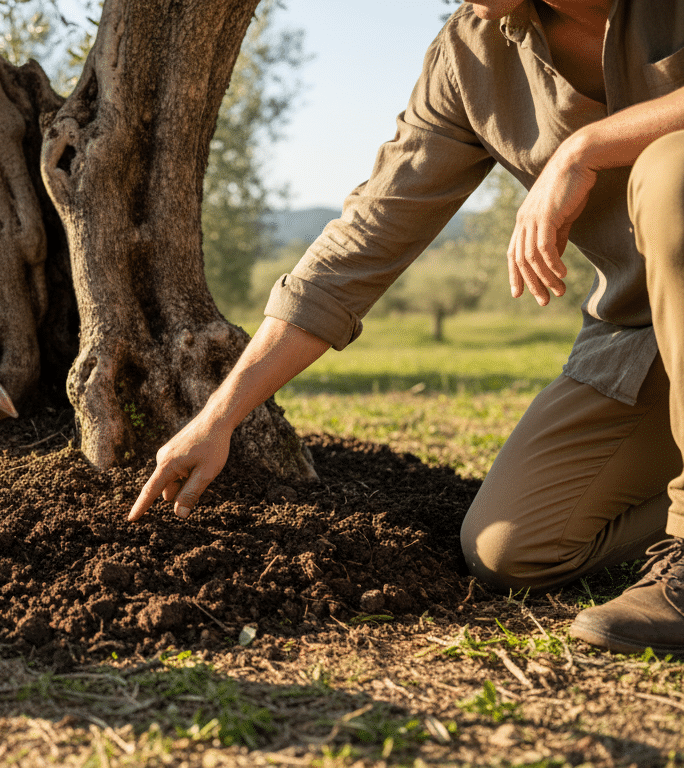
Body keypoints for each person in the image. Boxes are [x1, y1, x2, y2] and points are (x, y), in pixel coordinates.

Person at [130, 0, 684, 656]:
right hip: (642, 327)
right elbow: (367, 239)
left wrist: (585, 146)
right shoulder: (472, 54)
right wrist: (220, 415)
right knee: (517, 548)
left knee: (669, 169)